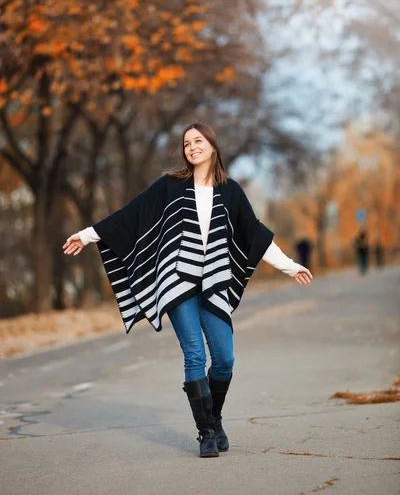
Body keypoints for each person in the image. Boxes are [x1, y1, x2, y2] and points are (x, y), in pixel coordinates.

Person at [63, 122, 313, 458]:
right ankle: (206, 433)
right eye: (186, 143)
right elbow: (130, 214)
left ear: (212, 145)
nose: (192, 147)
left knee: (224, 359)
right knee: (194, 353)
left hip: (214, 283)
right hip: (178, 282)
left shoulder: (231, 191)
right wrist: (87, 235)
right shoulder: (170, 186)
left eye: (198, 141)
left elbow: (255, 234)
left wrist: (291, 266)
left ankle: (215, 416)